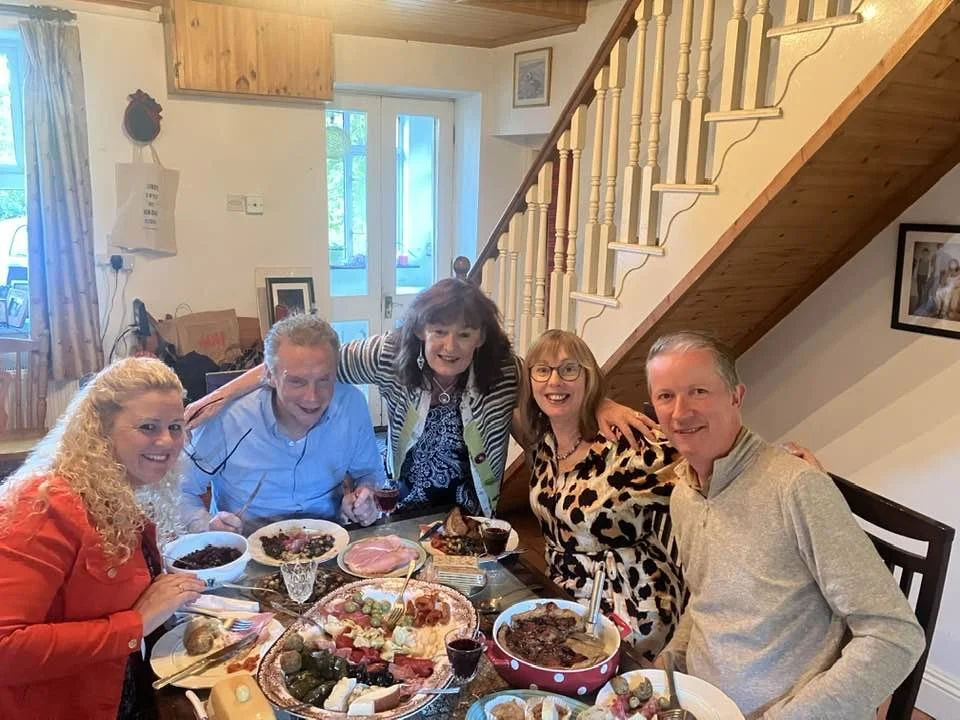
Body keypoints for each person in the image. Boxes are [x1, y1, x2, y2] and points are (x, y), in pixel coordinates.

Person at [186, 279, 654, 518]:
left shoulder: (503, 371)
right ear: (421, 331)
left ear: (480, 338)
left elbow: (557, 397)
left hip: (473, 512)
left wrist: (601, 403)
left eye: (464, 334)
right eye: (439, 332)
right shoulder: (391, 355)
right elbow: (312, 362)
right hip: (403, 506)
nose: (449, 347)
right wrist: (223, 394)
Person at [647, 331, 925, 720]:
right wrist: (671, 660)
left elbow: (896, 635)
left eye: (698, 391)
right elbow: (708, 597)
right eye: (666, 396)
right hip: (698, 701)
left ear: (736, 396)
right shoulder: (684, 494)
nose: (680, 412)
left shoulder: (797, 487)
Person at [0, 357, 206, 720]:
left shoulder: (119, 490)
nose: (168, 441)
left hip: (125, 686)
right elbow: (6, 647)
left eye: (175, 426)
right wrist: (135, 623)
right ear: (100, 429)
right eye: (148, 426)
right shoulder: (44, 504)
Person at [517, 330, 682, 661]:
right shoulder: (545, 442)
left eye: (568, 369)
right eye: (543, 370)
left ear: (588, 378)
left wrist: (773, 461)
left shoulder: (624, 446)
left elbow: (699, 462)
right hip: (562, 590)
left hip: (630, 599)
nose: (554, 381)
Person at [180, 313, 385, 533]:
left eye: (324, 380)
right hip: (247, 545)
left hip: (328, 540)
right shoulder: (227, 417)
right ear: (269, 375)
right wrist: (206, 527)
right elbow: (179, 490)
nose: (312, 397)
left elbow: (369, 474)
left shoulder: (351, 405)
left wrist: (365, 498)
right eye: (297, 381)